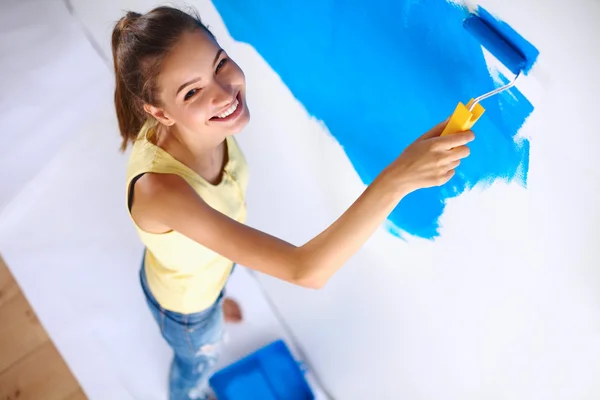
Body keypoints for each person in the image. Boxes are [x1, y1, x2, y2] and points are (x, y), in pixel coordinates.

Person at [111, 5, 474, 400]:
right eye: (193, 91)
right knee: (197, 360)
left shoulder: (194, 123)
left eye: (219, 64)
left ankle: (215, 308)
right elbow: (306, 271)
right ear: (159, 112)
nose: (224, 92)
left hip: (206, 274)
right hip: (185, 310)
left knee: (214, 298)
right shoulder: (161, 192)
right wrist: (399, 177)